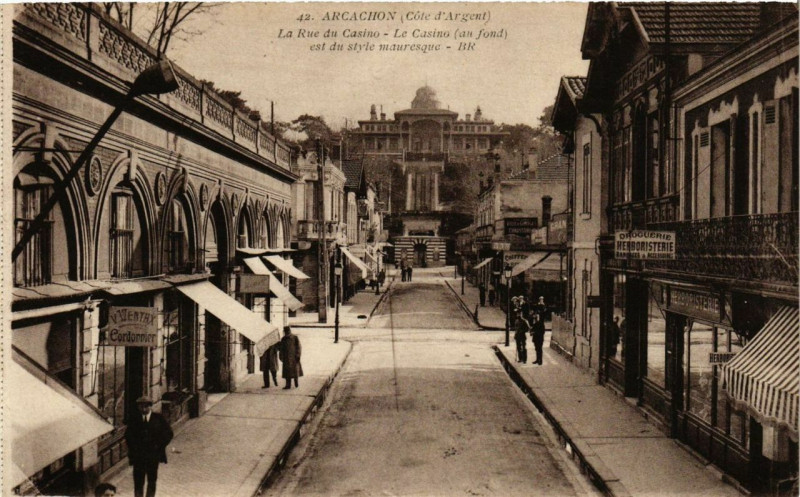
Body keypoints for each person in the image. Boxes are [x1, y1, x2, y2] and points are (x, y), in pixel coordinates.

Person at [125, 395, 174, 497]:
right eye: (141, 407)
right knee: (138, 482)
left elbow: (169, 434)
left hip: (153, 456)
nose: (143, 409)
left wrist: (159, 445)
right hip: (138, 457)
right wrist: (134, 449)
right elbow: (128, 436)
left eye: (146, 407)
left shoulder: (158, 418)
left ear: (151, 406)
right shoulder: (134, 420)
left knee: (152, 481)